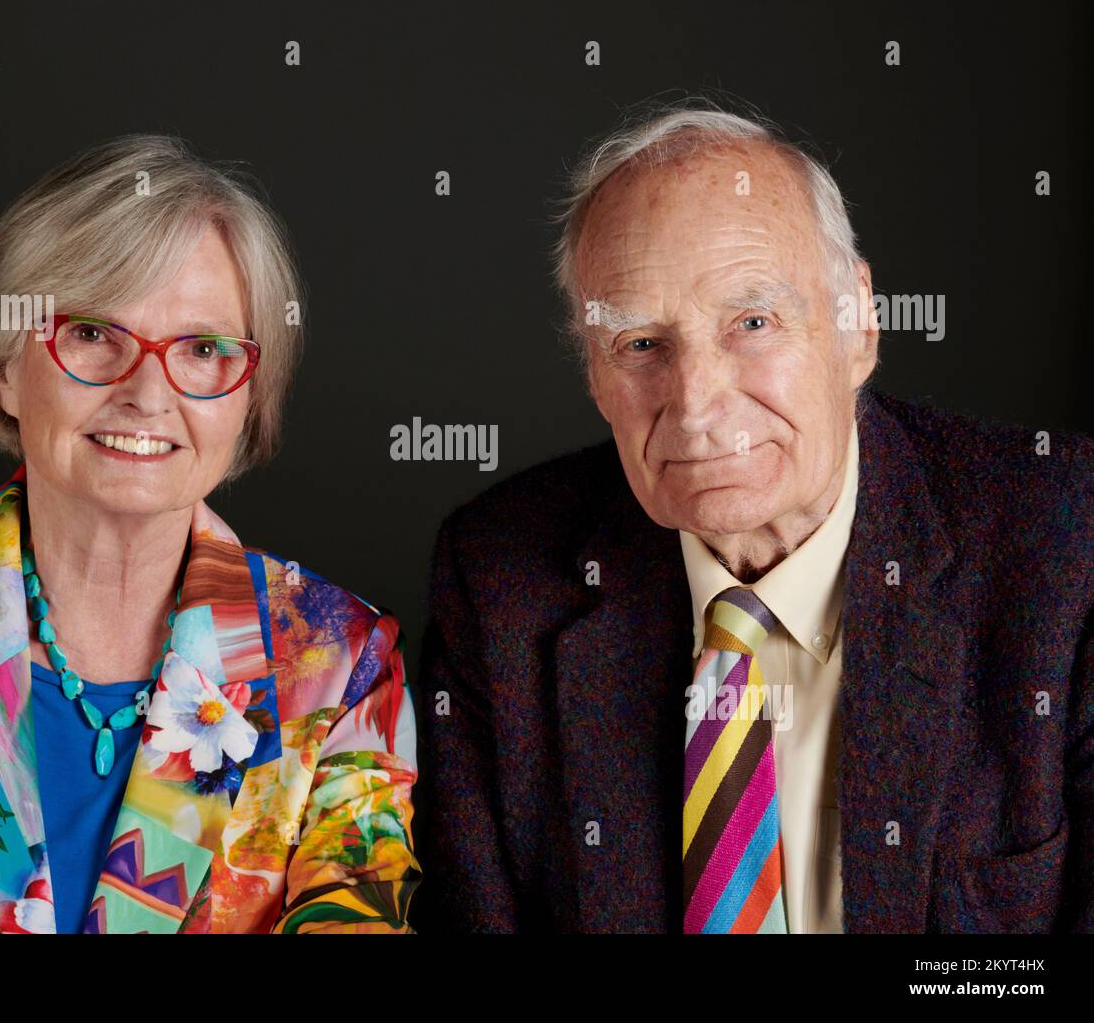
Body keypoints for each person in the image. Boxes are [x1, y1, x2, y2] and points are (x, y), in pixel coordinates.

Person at [416, 102, 1093, 934]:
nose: (696, 405)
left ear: (859, 323)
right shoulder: (500, 579)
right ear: (591, 371)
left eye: (753, 323)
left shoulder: (1066, 535)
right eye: (639, 345)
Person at [0, 135, 418, 934]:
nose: (147, 392)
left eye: (202, 349)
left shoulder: (339, 666)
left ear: (249, 399)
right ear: (5, 368)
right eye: (92, 333)